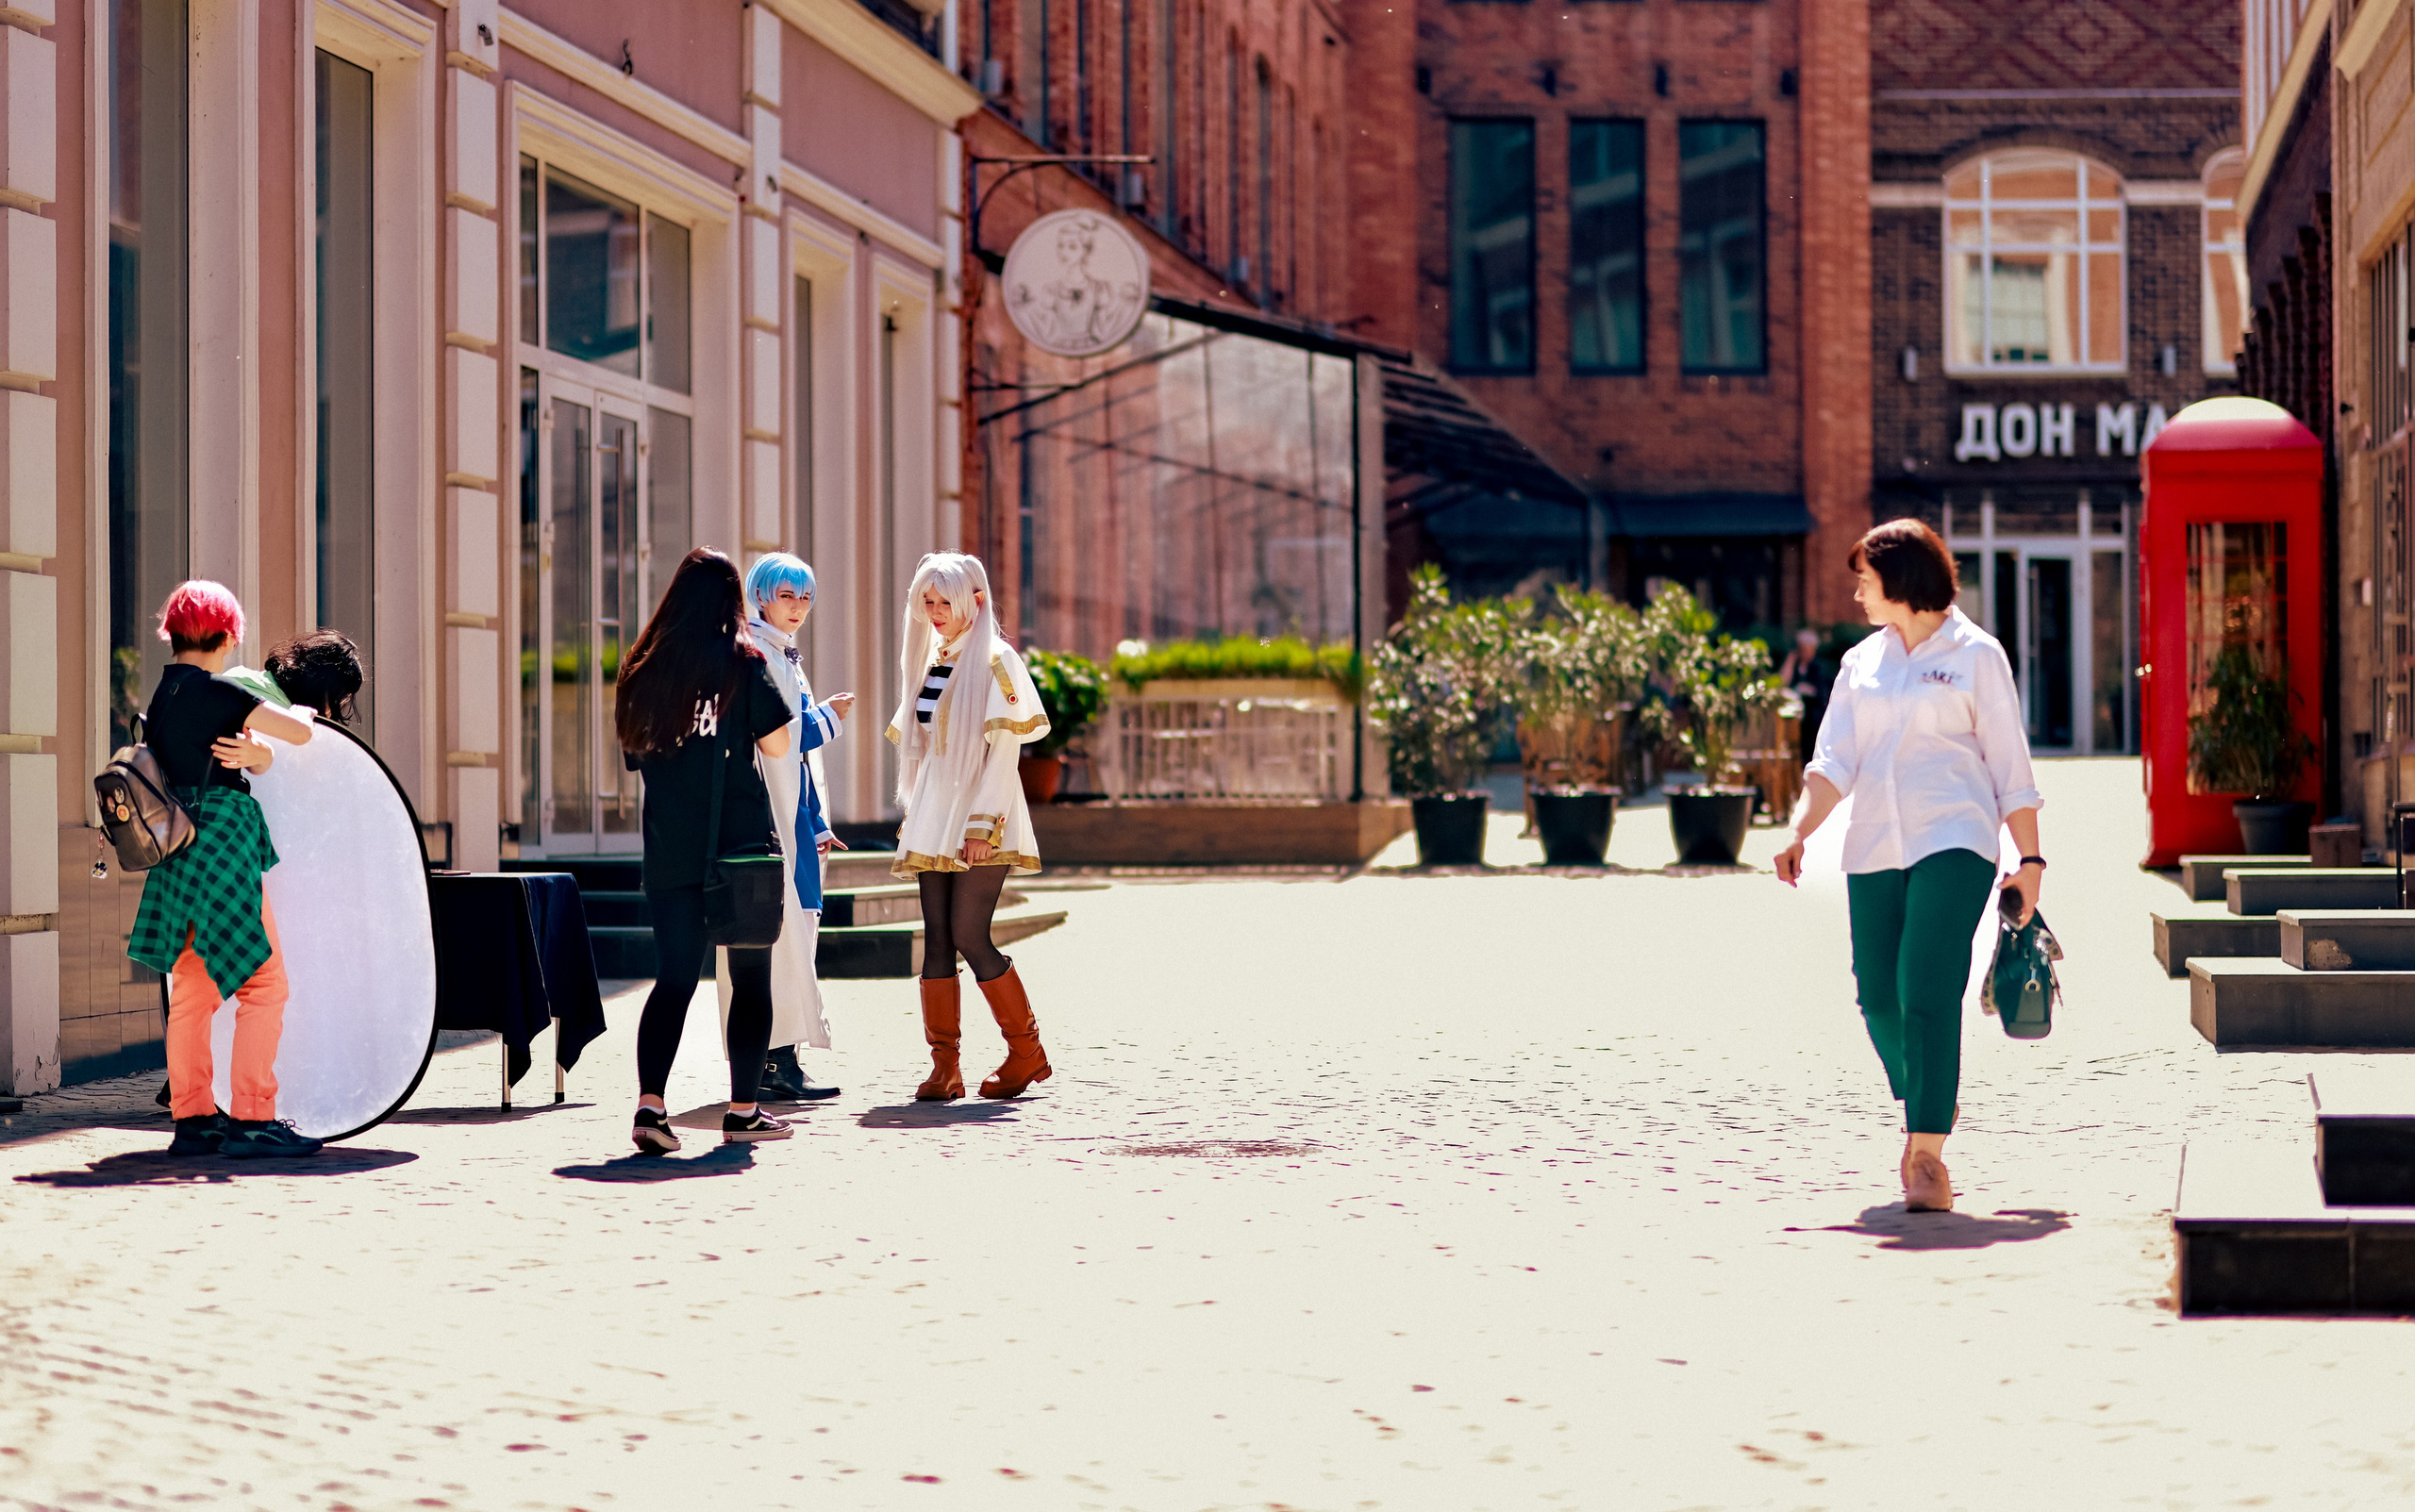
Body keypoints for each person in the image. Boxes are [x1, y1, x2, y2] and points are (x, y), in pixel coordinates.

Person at [1774, 519, 2043, 1214]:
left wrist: (2030, 857)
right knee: (1877, 994)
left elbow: (2011, 764)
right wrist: (1801, 829)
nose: (1857, 592)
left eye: (1865, 577)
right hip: (1874, 846)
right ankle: (1929, 1091)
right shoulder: (1861, 663)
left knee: (1925, 986)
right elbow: (1833, 761)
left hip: (1956, 839)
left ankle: (1926, 1154)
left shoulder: (1976, 654)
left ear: (1901, 577)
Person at [126, 582, 325, 1159]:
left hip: (178, 848)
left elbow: (216, 755)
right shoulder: (221, 689)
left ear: (172, 632)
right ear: (230, 633)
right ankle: (253, 1120)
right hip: (223, 846)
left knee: (191, 989)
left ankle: (194, 1120)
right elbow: (302, 732)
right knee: (265, 984)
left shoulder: (163, 695)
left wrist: (256, 756)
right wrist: (283, 728)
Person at [615, 548, 797, 1153]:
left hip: (669, 847)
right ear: (730, 601)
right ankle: (743, 1111)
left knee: (673, 979)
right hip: (740, 846)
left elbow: (635, 755)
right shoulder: (742, 664)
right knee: (749, 978)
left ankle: (650, 1108)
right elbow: (776, 749)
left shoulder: (641, 669)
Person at [888, 553, 1055, 1102]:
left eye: (945, 602)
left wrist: (984, 826)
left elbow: (1005, 754)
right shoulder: (936, 659)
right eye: (927, 602)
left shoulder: (996, 659)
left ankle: (1026, 1052)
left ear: (974, 601)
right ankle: (945, 1068)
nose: (935, 612)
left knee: (968, 934)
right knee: (936, 938)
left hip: (986, 813)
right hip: (937, 813)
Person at [718, 553, 855, 1102]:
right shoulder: (760, 655)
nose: (796, 608)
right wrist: (831, 717)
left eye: (804, 598)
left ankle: (783, 1060)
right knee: (781, 941)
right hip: (772, 821)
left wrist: (817, 822)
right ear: (760, 597)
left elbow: (794, 760)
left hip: (792, 818)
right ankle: (775, 1065)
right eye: (786, 596)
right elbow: (781, 740)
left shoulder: (778, 652)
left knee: (799, 934)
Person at [263, 628, 366, 724]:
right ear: (319, 685)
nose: (330, 711)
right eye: (338, 698)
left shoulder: (265, 687)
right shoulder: (279, 713)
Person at [1775, 626, 1836, 763]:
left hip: (1812, 717)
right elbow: (1782, 682)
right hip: (1793, 716)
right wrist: (1791, 659)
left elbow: (1821, 693)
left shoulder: (1819, 667)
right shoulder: (1794, 665)